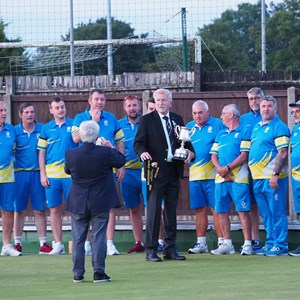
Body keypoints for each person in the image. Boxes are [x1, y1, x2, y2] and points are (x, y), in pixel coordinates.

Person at [134, 88, 195, 262]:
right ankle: (151, 250)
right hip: (155, 170)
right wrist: (142, 153)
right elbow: (138, 143)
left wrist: (191, 154)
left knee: (170, 211)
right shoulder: (146, 120)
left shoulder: (177, 119)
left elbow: (187, 143)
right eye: (157, 100)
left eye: (163, 100)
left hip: (173, 170)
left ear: (170, 102)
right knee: (153, 211)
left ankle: (170, 248)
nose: (160, 103)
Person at [65, 120, 125, 283]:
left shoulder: (71, 154)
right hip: (100, 201)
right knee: (98, 237)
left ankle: (78, 274)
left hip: (78, 201)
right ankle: (99, 272)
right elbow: (121, 160)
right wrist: (109, 146)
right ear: (97, 135)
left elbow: (67, 170)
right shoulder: (105, 153)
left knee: (78, 238)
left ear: (81, 135)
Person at [72, 88, 125, 256]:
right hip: (85, 169)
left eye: (102, 99)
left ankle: (109, 243)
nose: (99, 102)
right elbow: (75, 139)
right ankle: (86, 244)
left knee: (108, 205)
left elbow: (120, 141)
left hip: (105, 169)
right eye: (96, 99)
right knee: (84, 208)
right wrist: (93, 122)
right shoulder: (80, 118)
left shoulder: (111, 118)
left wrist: (121, 165)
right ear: (90, 101)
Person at [249, 95, 290, 256]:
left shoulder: (279, 127)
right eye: (263, 106)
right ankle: (271, 241)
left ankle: (280, 244)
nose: (265, 109)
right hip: (258, 178)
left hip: (273, 179)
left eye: (269, 106)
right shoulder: (257, 127)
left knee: (277, 211)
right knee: (265, 213)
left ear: (276, 108)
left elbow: (283, 152)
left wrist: (275, 174)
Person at [210, 104, 253, 255]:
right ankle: (227, 244)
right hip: (221, 178)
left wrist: (227, 168)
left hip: (239, 178)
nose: (220, 117)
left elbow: (244, 155)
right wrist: (221, 170)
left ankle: (248, 244)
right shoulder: (220, 134)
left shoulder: (245, 131)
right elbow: (213, 155)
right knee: (221, 211)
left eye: (223, 114)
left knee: (242, 210)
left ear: (231, 116)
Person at [37, 96, 77, 255]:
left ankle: (81, 242)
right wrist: (43, 174)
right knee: (54, 209)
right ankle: (58, 244)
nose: (61, 110)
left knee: (76, 210)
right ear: (51, 110)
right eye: (57, 107)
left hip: (71, 176)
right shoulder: (46, 129)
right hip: (51, 177)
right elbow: (41, 153)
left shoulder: (74, 124)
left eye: (62, 107)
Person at [186, 100, 224, 254]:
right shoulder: (188, 127)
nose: (197, 116)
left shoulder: (218, 124)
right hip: (195, 176)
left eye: (200, 112)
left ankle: (223, 242)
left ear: (208, 112)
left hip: (215, 176)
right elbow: (183, 147)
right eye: (195, 113)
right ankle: (201, 243)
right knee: (199, 210)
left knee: (217, 209)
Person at [13, 102, 52, 254]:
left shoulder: (43, 129)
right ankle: (17, 243)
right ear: (20, 114)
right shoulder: (14, 131)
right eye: (27, 112)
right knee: (19, 210)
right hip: (19, 175)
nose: (30, 115)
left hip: (38, 174)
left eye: (32, 112)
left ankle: (43, 243)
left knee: (40, 210)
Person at [118, 95, 145, 253]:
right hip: (127, 173)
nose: (132, 108)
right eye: (129, 106)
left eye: (134, 105)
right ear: (125, 108)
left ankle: (159, 241)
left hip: (146, 171)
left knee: (154, 206)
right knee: (134, 208)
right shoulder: (119, 125)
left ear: (139, 106)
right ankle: (138, 242)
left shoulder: (147, 122)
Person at [240, 87, 264, 251]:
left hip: (265, 168)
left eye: (257, 98)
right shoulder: (243, 119)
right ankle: (254, 239)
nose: (254, 101)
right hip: (246, 169)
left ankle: (273, 239)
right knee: (251, 204)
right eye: (251, 99)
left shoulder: (270, 116)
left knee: (268, 204)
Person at [0, 101, 21, 256]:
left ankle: (6, 245)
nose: (4, 113)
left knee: (8, 211)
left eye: (5, 110)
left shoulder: (11, 130)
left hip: (8, 179)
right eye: (1, 110)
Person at [288, 100, 300, 256]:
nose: (295, 114)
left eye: (298, 111)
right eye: (293, 112)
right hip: (296, 178)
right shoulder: (295, 129)